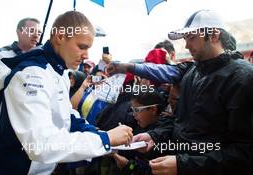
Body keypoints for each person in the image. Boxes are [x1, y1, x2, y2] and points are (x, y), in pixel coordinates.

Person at [107, 9, 253, 175]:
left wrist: (183, 165)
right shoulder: (192, 73)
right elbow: (179, 124)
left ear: (214, 36)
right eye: (185, 39)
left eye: (191, 38)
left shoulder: (242, 78)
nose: (186, 45)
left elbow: (244, 152)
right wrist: (154, 136)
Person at [0, 11, 133, 175]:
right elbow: (40, 145)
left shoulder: (60, 72)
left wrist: (95, 132)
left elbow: (65, 114)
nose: (86, 55)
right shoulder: (32, 73)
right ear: (60, 37)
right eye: (82, 47)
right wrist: (105, 140)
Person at [0, 17, 41, 149]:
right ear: (19, 32)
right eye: (31, 30)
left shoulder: (41, 61)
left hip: (24, 129)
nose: (36, 35)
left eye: (39, 32)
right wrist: (26, 62)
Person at [112, 87, 174, 175]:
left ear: (153, 109)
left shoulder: (167, 131)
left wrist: (128, 166)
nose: (134, 114)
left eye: (137, 110)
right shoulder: (142, 123)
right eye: (132, 109)